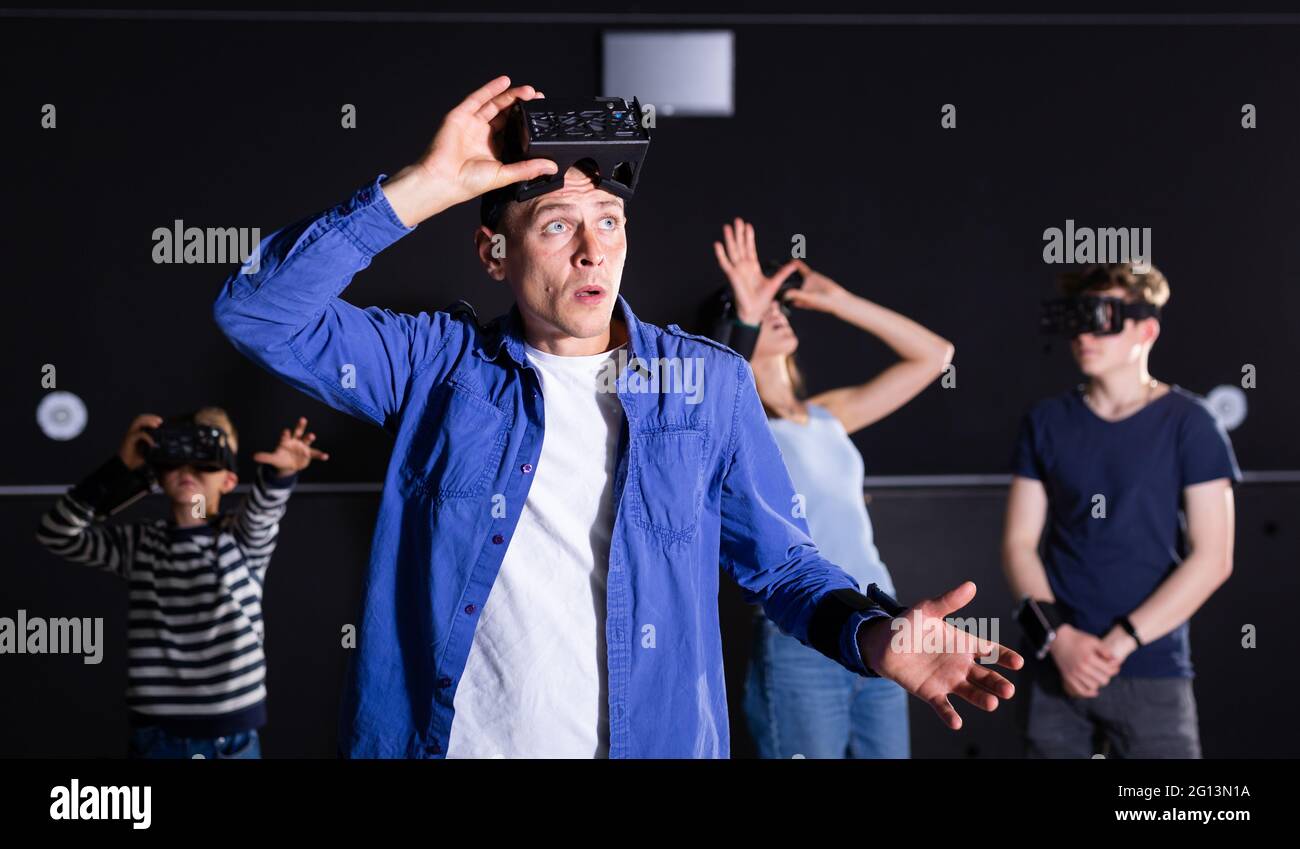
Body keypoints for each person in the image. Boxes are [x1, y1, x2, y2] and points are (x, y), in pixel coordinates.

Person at [213, 75, 1022, 759]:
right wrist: (425, 186)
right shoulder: (435, 365)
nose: (592, 250)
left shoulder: (707, 382)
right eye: (557, 225)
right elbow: (259, 313)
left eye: (609, 221)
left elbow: (783, 566)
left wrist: (873, 636)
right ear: (495, 252)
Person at [706, 217, 954, 758]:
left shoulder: (825, 416)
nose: (775, 311)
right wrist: (745, 320)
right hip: (806, 637)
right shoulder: (730, 423)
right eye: (757, 306)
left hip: (888, 627)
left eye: (779, 303)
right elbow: (718, 389)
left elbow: (936, 356)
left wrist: (839, 300)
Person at [1001, 262, 1240, 758]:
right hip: (1055, 669)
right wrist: (1059, 640)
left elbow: (1213, 556)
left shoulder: (1190, 425)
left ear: (1146, 329)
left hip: (1152, 670)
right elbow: (1018, 543)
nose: (1085, 334)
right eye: (1077, 318)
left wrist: (1120, 644)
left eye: (1103, 317)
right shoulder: (1046, 422)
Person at [35, 408, 327, 758]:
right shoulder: (140, 544)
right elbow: (56, 532)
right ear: (158, 471)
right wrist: (121, 469)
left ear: (229, 480)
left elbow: (264, 510)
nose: (188, 469)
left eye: (206, 459)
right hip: (158, 736)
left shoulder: (241, 540)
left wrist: (281, 473)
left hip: (231, 735)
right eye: (177, 457)